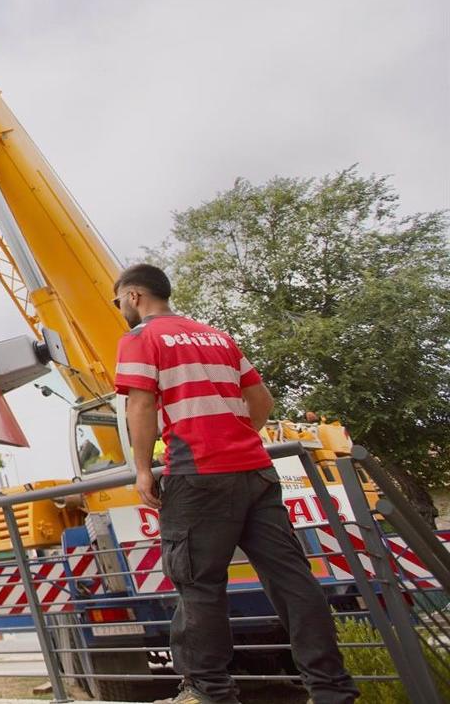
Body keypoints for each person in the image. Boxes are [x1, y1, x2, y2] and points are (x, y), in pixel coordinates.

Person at [112, 263, 358, 704]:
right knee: (292, 580)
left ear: (134, 296)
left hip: (198, 475)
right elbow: (261, 399)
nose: (120, 310)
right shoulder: (217, 337)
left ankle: (208, 692)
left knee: (199, 585)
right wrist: (239, 437)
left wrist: (143, 469)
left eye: (119, 302)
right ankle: (332, 690)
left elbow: (141, 406)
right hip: (255, 471)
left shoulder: (139, 338)